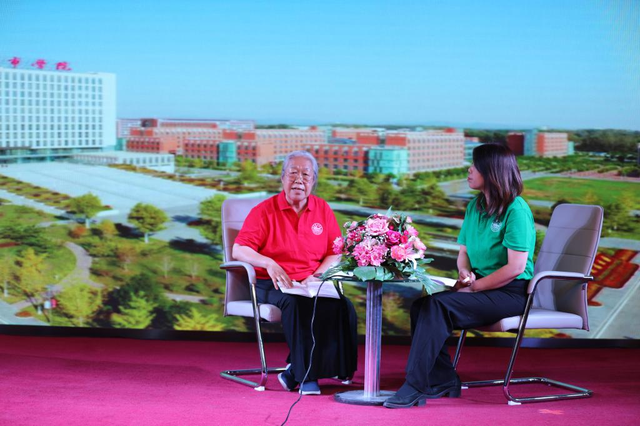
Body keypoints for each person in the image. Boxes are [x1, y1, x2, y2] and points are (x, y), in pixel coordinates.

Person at [384, 143, 536, 408]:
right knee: (422, 306)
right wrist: (464, 272)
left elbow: (515, 268)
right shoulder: (476, 206)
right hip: (483, 287)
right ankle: (443, 380)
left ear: (492, 171)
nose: (469, 169)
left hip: (511, 293)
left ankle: (415, 385)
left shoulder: (516, 210)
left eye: (475, 165)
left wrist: (474, 287)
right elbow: (464, 252)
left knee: (436, 306)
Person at [232, 150, 358, 395]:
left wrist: (318, 275)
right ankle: (306, 376)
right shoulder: (264, 210)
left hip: (310, 282)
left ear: (313, 181)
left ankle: (305, 371)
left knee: (343, 306)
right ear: (282, 178)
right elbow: (239, 249)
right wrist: (268, 263)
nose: (299, 180)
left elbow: (335, 252)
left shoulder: (322, 209)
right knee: (299, 306)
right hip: (272, 283)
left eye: (305, 175)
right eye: (293, 173)